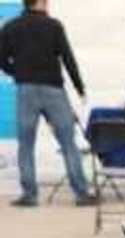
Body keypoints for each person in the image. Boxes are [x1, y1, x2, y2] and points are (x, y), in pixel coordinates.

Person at [0, 0, 95, 207]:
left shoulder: (10, 27)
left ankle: (29, 194)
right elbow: (68, 58)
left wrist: (18, 72)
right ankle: (81, 193)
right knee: (68, 142)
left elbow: (2, 59)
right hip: (53, 90)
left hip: (26, 89)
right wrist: (79, 87)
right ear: (42, 3)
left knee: (26, 144)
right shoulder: (54, 26)